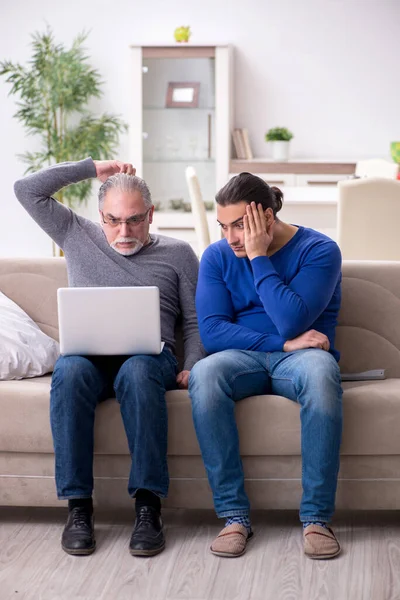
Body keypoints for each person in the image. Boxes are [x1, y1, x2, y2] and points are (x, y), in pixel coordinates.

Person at [14, 158, 203, 557]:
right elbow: (26, 190)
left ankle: (149, 508)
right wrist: (90, 168)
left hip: (151, 360)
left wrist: (191, 364)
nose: (123, 232)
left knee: (136, 371)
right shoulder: (75, 233)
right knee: (69, 370)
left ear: (151, 214)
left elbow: (196, 321)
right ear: (99, 215)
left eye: (134, 220)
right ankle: (79, 507)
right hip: (89, 359)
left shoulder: (179, 253)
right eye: (113, 220)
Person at [189, 172, 343, 559]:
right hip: (246, 357)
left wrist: (259, 256)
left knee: (323, 375)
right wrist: (282, 343)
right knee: (205, 375)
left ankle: (316, 519)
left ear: (267, 218)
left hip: (304, 359)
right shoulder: (217, 255)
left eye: (240, 226)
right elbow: (212, 332)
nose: (231, 239)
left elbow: (292, 318)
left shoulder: (320, 250)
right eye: (224, 226)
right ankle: (234, 516)